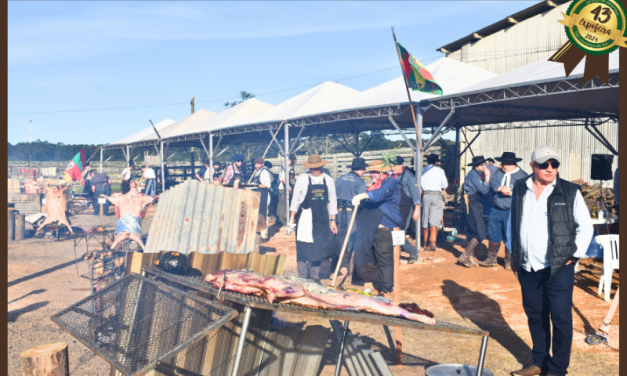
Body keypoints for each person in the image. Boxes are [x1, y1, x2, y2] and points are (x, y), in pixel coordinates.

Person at [506, 145, 593, 376]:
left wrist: (573, 256)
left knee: (561, 318)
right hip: (527, 264)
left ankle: (557, 370)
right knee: (535, 314)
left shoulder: (570, 191)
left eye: (554, 164)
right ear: (532, 165)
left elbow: (585, 228)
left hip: (558, 267)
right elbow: (512, 222)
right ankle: (540, 362)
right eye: (544, 164)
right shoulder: (519, 188)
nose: (550, 168)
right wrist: (512, 252)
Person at [352, 160, 401, 300]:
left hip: (385, 228)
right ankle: (382, 285)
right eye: (371, 172)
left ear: (381, 173)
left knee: (385, 259)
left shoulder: (390, 183)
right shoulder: (375, 184)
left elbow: (381, 194)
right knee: (377, 260)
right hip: (373, 227)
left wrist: (364, 195)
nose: (371, 175)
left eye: (373, 172)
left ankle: (386, 290)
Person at [287, 154, 338, 283]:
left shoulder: (328, 180)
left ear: (321, 166)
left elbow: (333, 202)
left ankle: (315, 277)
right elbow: (295, 201)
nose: (313, 171)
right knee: (303, 247)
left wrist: (333, 221)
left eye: (316, 168)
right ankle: (302, 277)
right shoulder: (303, 179)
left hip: (322, 218)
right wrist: (291, 219)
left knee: (318, 246)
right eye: (311, 168)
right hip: (305, 217)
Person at [479, 152, 528, 269]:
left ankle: (509, 260)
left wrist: (511, 193)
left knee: (510, 235)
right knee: (493, 233)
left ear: (510, 163)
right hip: (496, 209)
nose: (501, 165)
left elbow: (526, 192)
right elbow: (492, 183)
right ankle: (491, 258)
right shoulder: (498, 173)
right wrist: (498, 188)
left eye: (503, 163)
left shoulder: (523, 176)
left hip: (513, 211)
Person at [332, 157, 368, 275]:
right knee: (353, 240)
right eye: (363, 170)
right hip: (350, 213)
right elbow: (363, 198)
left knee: (338, 239)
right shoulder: (359, 181)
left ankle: (334, 269)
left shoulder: (340, 178)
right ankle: (352, 273)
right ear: (361, 169)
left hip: (338, 211)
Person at [458, 156, 491, 267]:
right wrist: (487, 177)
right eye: (482, 165)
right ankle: (465, 256)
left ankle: (470, 258)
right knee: (479, 232)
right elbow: (484, 190)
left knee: (473, 231)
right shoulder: (473, 175)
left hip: (474, 203)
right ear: (476, 166)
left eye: (485, 164)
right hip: (471, 203)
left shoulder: (475, 174)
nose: (485, 167)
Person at [391, 156, 421, 263]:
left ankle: (412, 251)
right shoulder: (392, 176)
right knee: (394, 231)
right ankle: (397, 255)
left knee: (399, 231)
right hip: (395, 208)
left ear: (400, 166)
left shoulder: (409, 176)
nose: (392, 168)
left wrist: (417, 209)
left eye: (394, 166)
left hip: (406, 207)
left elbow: (415, 193)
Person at [419, 153, 448, 253]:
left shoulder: (422, 171)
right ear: (436, 162)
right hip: (436, 195)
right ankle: (433, 242)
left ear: (427, 162)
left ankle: (425, 243)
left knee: (425, 218)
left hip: (426, 195)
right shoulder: (440, 171)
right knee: (435, 220)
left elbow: (419, 186)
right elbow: (445, 185)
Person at [249, 157, 274, 239]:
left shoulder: (264, 172)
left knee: (263, 215)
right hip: (257, 197)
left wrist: (254, 186)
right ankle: (258, 233)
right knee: (257, 215)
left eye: (258, 164)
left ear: (262, 164)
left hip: (264, 197)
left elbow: (267, 185)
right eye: (255, 164)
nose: (256, 166)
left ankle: (264, 235)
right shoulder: (257, 172)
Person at [278, 154, 297, 225]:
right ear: (291, 160)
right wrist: (289, 188)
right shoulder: (285, 167)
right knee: (282, 204)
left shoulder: (285, 166)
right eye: (293, 161)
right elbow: (283, 179)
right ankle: (282, 221)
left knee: (280, 204)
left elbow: (288, 176)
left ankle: (279, 219)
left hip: (281, 187)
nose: (293, 163)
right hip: (282, 188)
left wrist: (296, 177)